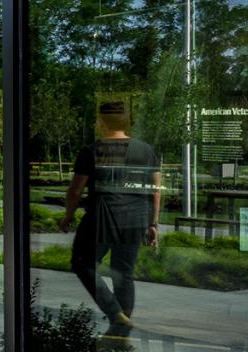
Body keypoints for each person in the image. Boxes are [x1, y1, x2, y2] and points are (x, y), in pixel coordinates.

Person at [60, 101, 161, 341]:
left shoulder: (92, 151)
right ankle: (120, 332)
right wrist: (153, 224)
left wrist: (69, 215)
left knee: (82, 262)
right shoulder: (146, 150)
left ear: (102, 123)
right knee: (124, 273)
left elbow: (75, 190)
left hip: (102, 218)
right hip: (135, 219)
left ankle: (116, 313)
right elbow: (155, 189)